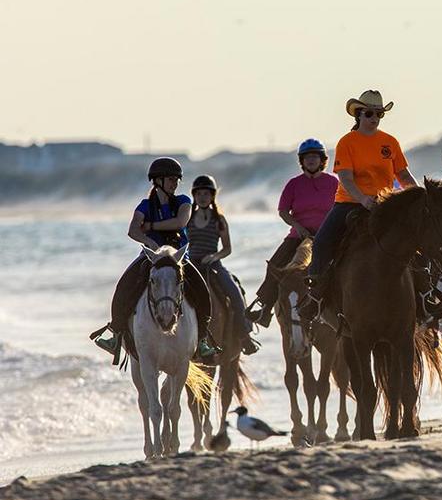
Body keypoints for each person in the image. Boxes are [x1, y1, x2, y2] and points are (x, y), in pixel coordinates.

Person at [305, 90, 442, 326]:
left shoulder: (390, 142)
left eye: (379, 114)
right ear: (358, 114)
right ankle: (315, 297)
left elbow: (403, 174)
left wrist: (422, 196)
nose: (374, 118)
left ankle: (426, 296)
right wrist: (363, 199)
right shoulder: (347, 142)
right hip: (349, 204)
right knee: (321, 243)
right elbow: (346, 179)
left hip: (386, 206)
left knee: (418, 242)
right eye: (369, 113)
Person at [91, 157, 219, 363]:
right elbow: (132, 230)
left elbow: (180, 221)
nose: (175, 183)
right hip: (151, 257)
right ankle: (115, 333)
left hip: (178, 258)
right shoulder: (144, 205)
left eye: (177, 179)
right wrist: (148, 242)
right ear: (157, 181)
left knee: (202, 291)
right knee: (124, 286)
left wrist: (150, 227)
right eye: (170, 179)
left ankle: (203, 340)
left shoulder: (184, 201)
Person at [245, 139, 338, 327]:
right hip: (298, 236)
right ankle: (265, 307)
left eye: (315, 156)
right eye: (307, 157)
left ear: (322, 160)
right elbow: (283, 211)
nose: (311, 160)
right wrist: (298, 227)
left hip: (327, 235)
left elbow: (339, 207)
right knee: (275, 265)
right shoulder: (294, 184)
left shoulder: (333, 182)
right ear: (301, 161)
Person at [186, 175, 260, 355]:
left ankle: (244, 337)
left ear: (212, 196)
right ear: (194, 196)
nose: (203, 197)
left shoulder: (219, 220)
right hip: (192, 264)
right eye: (199, 194)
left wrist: (214, 256)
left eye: (206, 193)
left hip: (213, 265)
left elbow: (227, 248)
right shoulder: (187, 218)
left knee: (234, 292)